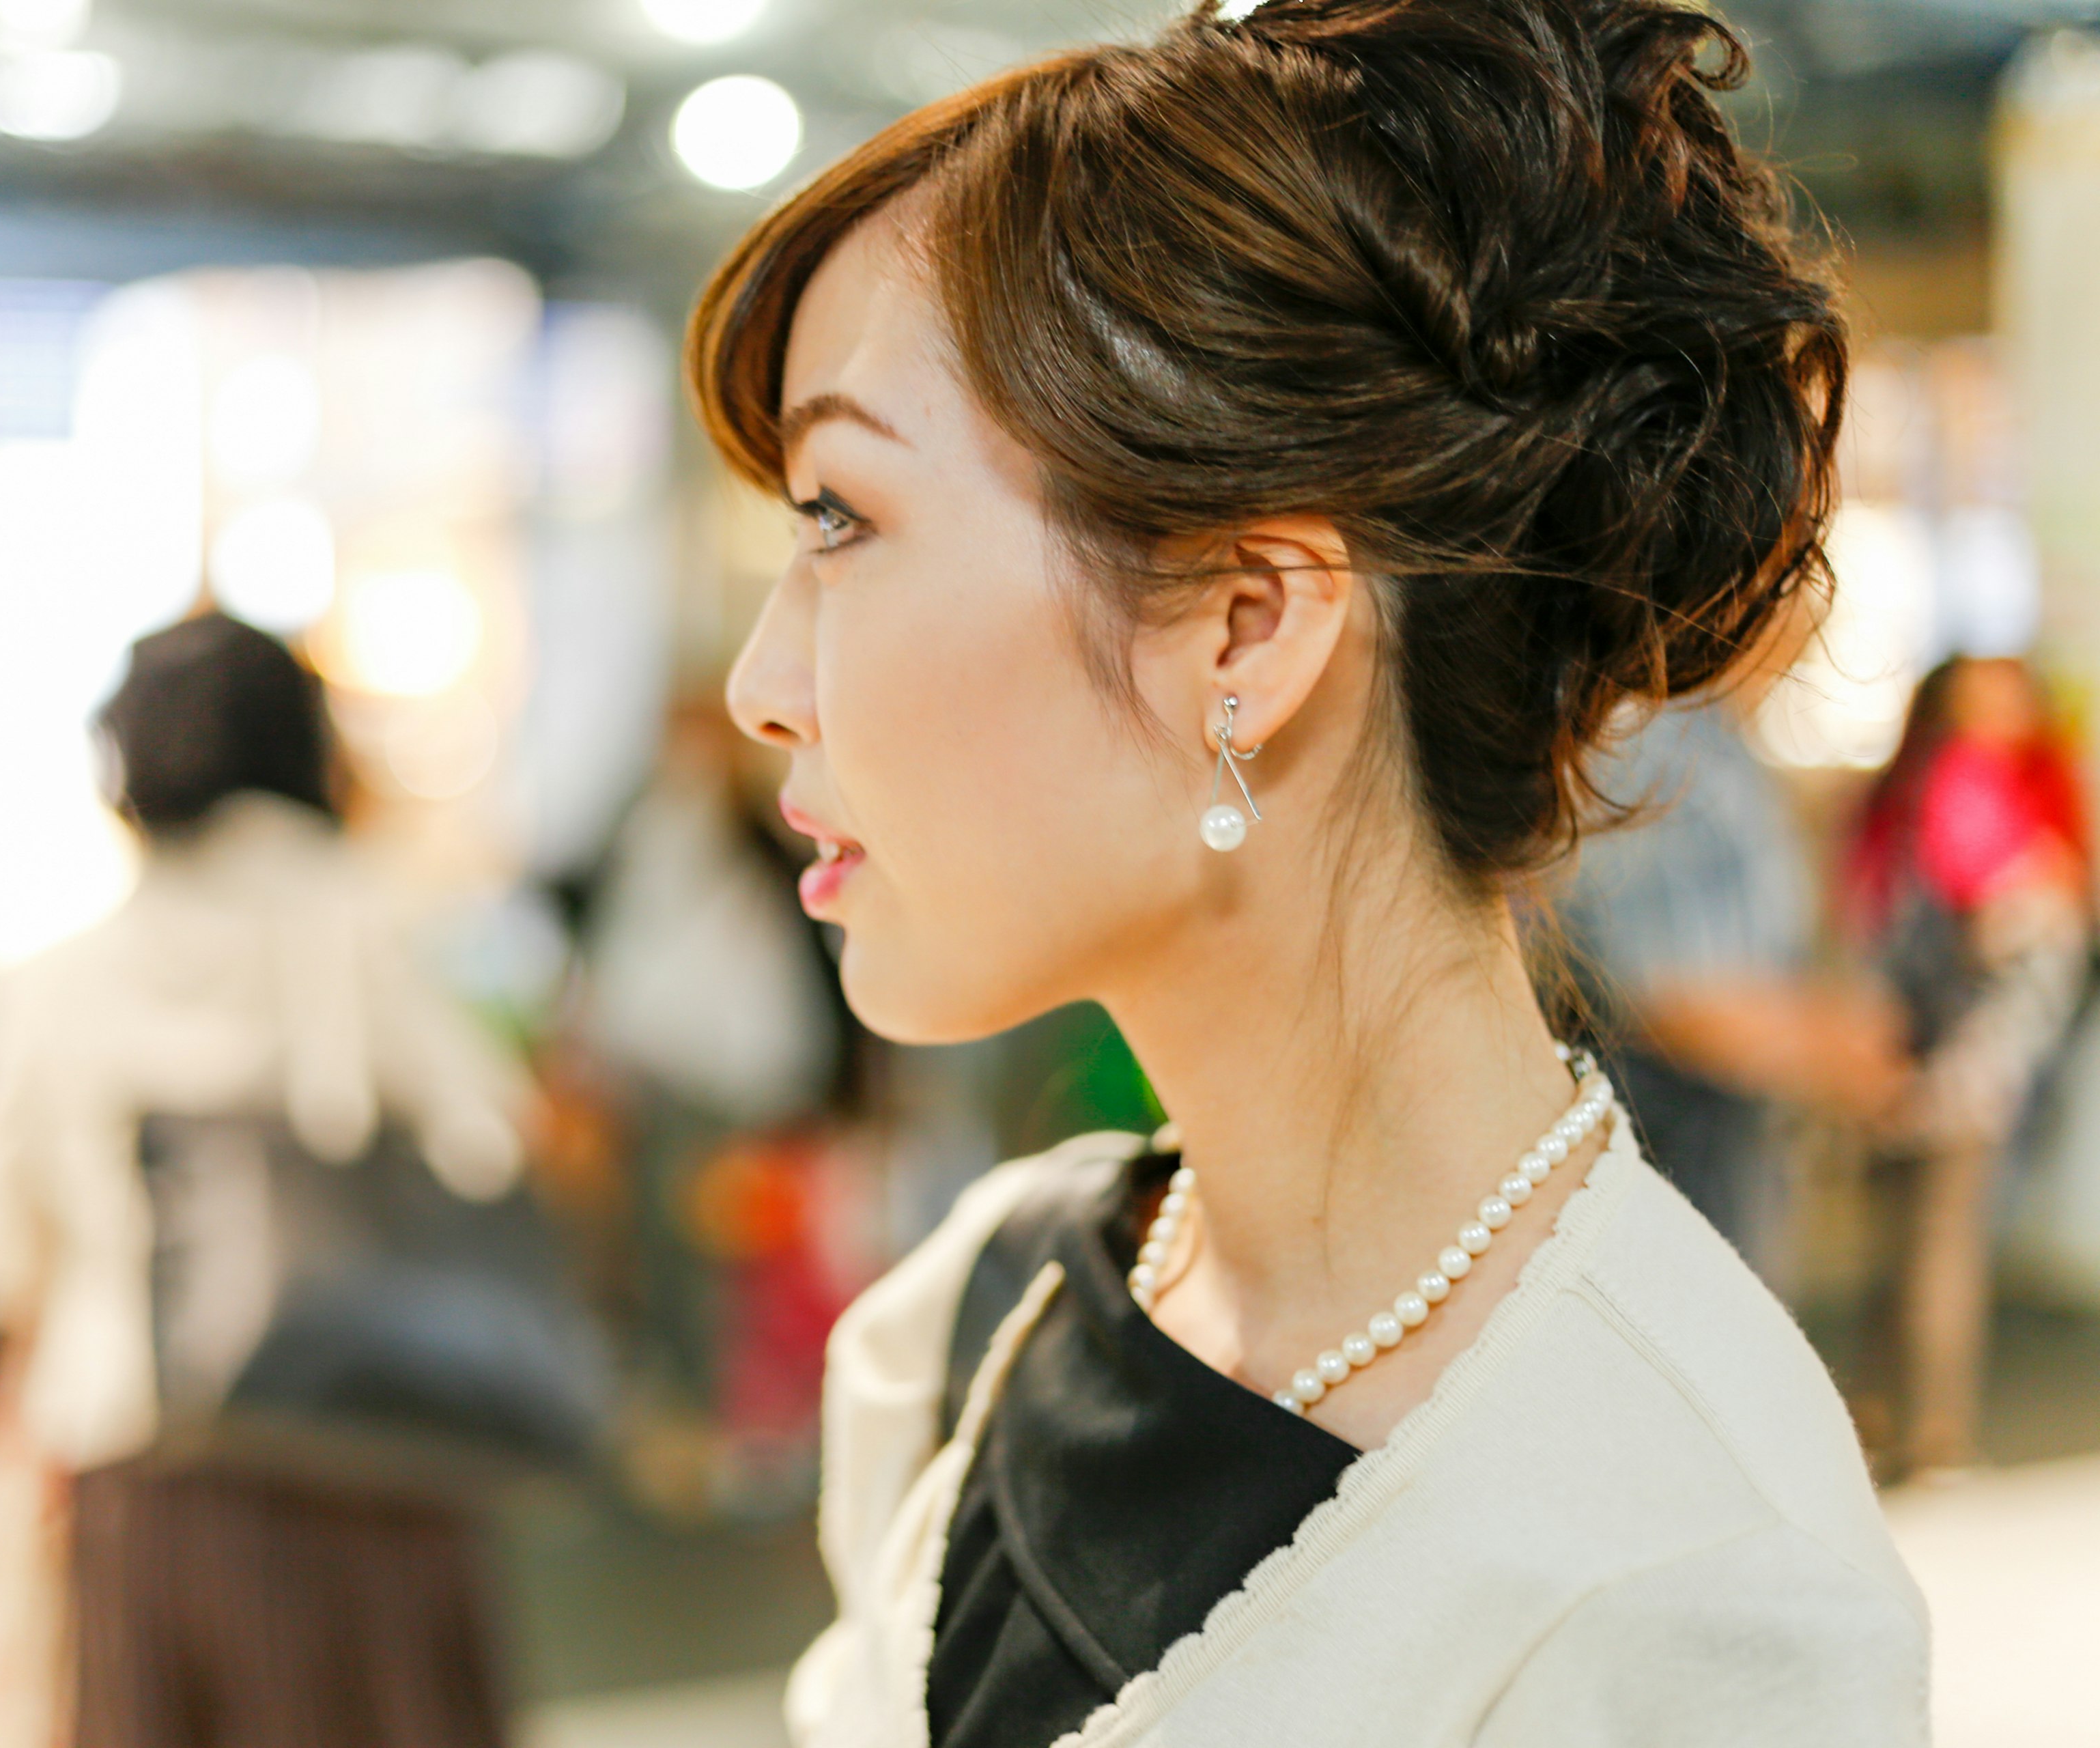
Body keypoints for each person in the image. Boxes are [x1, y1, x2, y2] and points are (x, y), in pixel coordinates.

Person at [689, 2, 1925, 1743]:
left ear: (1248, 630)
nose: (761, 682)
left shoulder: (1688, 1579)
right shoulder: (975, 1314)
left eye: (838, 518)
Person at [0, 611, 528, 1748]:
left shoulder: (54, 981)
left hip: (146, 1487)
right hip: (378, 1475)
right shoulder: (369, 929)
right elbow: (494, 1143)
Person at [1557, 680, 1910, 1275]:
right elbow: (1662, 990)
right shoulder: (1654, 737)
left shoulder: (1710, 732)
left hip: (1715, 1145)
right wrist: (1824, 1044)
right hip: (1669, 1143)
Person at [1844, 655, 2089, 1475]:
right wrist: (2045, 889)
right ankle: (1934, 1434)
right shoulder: (1971, 781)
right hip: (1959, 1058)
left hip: (1886, 1044)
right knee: (1944, 1246)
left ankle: (1880, 1416)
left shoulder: (1897, 790)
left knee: (1897, 1246)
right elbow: (1989, 908)